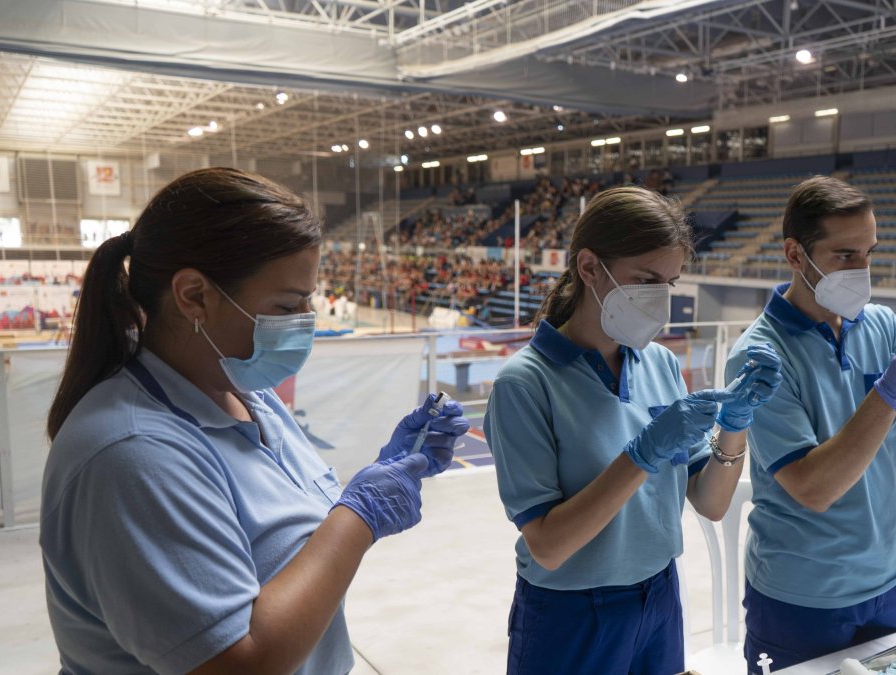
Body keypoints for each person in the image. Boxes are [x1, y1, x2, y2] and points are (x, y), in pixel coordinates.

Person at [40, 168, 470, 675]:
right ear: (194, 295)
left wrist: (385, 471)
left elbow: (294, 553)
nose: (306, 321)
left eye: (309, 299)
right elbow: (238, 663)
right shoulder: (131, 454)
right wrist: (360, 516)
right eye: (287, 305)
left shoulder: (245, 394)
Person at [484, 186, 783, 675]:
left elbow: (710, 502)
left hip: (659, 594)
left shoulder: (659, 363)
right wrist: (641, 455)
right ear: (589, 267)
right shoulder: (525, 383)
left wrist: (736, 423)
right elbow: (549, 546)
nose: (659, 299)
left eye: (669, 282)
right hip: (572, 612)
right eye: (645, 280)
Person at [729, 176, 896, 672]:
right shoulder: (759, 355)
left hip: (892, 578)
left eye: (869, 253)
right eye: (845, 255)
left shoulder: (881, 325)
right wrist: (885, 396)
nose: (861, 270)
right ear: (795, 254)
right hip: (802, 596)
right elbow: (813, 488)